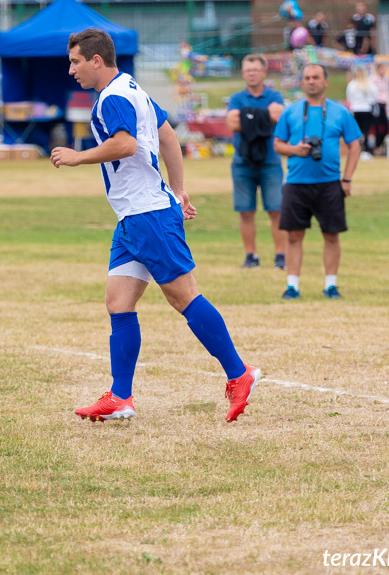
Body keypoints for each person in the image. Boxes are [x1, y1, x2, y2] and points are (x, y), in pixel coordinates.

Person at [50, 29, 261, 424]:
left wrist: (78, 158)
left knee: (184, 297)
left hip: (147, 215)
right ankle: (120, 397)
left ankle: (239, 373)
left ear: (97, 60)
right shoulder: (132, 88)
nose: (71, 69)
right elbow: (167, 136)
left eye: (76, 61)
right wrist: (179, 191)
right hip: (135, 217)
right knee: (118, 303)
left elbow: (126, 144)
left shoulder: (113, 96)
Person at [273, 63, 362, 300]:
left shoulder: (340, 111)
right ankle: (292, 286)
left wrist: (347, 178)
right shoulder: (290, 111)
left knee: (331, 235)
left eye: (316, 77)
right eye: (307, 77)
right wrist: (295, 150)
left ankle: (330, 285)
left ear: (325, 82)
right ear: (301, 83)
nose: (311, 81)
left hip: (330, 183)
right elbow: (278, 144)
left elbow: (355, 145)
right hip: (296, 183)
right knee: (293, 235)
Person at [225, 54, 287, 270]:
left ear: (264, 72)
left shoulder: (275, 95)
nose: (251, 73)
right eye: (247, 70)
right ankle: (251, 256)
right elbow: (232, 123)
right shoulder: (236, 98)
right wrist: (264, 117)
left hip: (270, 161)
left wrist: (247, 117)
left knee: (276, 210)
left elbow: (279, 116)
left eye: (255, 69)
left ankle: (281, 256)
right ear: (243, 74)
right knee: (246, 211)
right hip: (242, 162)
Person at [346, 66, 379, 159]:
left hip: (356, 110)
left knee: (357, 131)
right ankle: (367, 150)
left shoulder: (352, 85)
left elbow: (349, 98)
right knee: (366, 131)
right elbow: (375, 98)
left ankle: (357, 150)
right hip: (367, 110)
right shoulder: (370, 85)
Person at [369, 62, 389, 156]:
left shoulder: (386, 78)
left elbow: (387, 91)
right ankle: (376, 147)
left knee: (386, 127)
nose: (384, 71)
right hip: (376, 104)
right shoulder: (373, 79)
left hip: (384, 104)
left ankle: (378, 145)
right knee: (377, 126)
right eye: (382, 69)